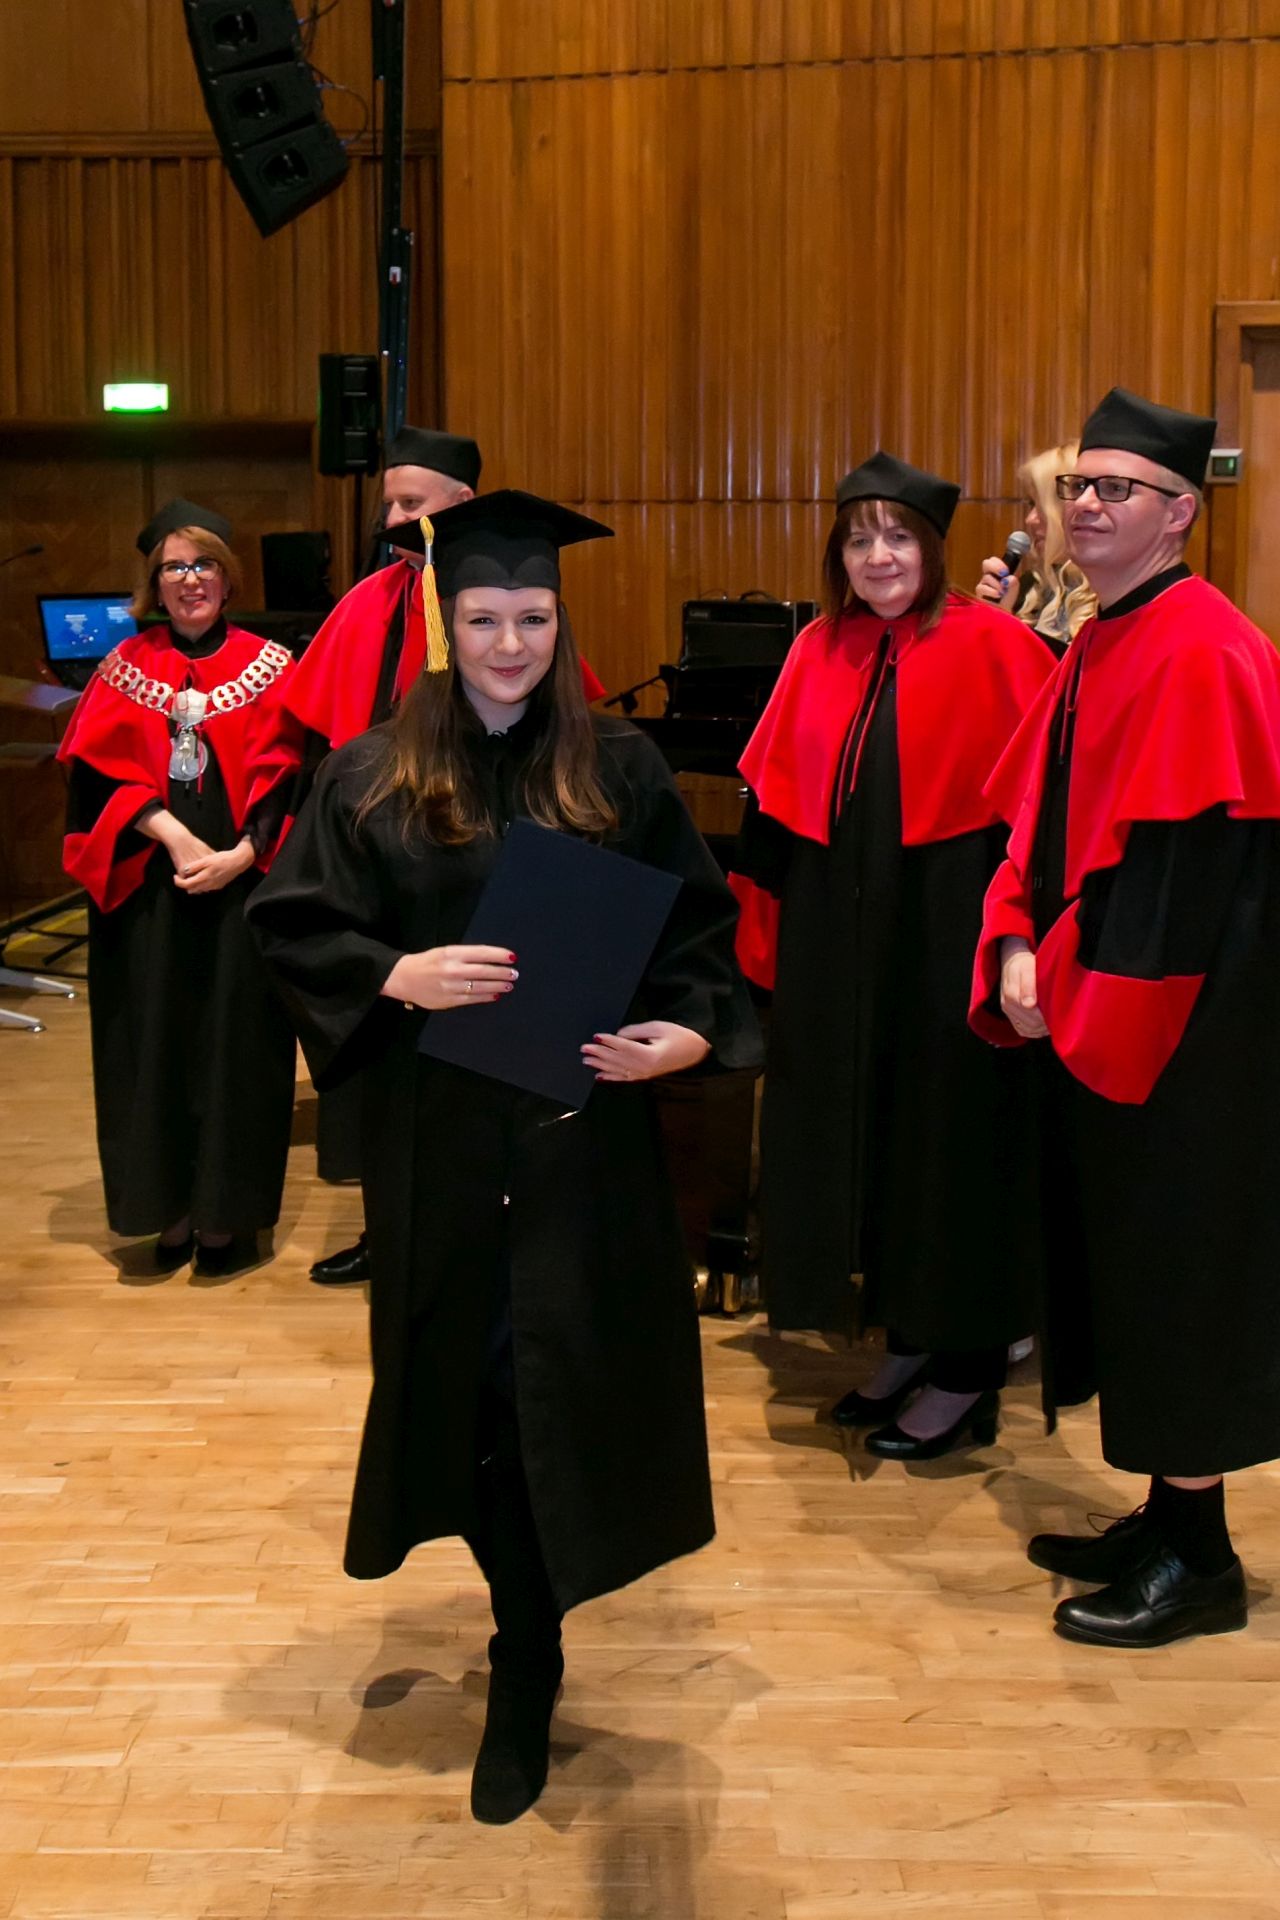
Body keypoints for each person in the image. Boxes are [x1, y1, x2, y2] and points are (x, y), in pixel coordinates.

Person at [247, 490, 761, 1823]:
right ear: (445, 622)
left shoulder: (619, 770)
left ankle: (527, 1659)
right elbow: (294, 926)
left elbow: (698, 939)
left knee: (559, 1401)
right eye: (484, 619)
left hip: (584, 1149)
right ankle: (511, 1614)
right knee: (471, 1404)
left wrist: (685, 1034)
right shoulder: (370, 773)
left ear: (558, 620)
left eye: (533, 618)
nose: (511, 644)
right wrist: (397, 972)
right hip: (440, 1147)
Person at [971, 386, 1280, 1648]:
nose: (1086, 505)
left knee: (1177, 1277)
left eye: (1117, 489)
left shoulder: (1203, 648)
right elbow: (1038, 824)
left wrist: (1070, 994)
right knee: (1129, 1271)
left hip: (1184, 1039)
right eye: (1077, 486)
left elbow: (1177, 886)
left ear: (1179, 514)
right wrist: (1011, 940)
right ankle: (1162, 1515)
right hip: (1097, 1008)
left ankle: (1198, 1562)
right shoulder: (1105, 635)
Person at [730, 453, 1055, 1456]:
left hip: (947, 935)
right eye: (859, 538)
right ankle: (907, 1339)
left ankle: (967, 1366)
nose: (877, 556)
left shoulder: (997, 647)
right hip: (841, 940)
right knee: (864, 1140)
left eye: (898, 536)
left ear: (932, 547)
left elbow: (1040, 816)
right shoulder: (816, 648)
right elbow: (776, 806)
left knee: (947, 1141)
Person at [290, 427, 607, 1280]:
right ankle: (386, 1229)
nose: (507, 645)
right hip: (398, 870)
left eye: (411, 502)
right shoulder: (367, 614)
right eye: (389, 502)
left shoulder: (604, 754)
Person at [59, 499, 299, 1276]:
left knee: (238, 1046)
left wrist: (242, 854)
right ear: (154, 584)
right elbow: (94, 780)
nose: (189, 580)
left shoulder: (272, 665)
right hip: (148, 896)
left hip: (243, 890)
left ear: (227, 577)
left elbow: (295, 781)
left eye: (203, 565)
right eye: (173, 568)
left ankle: (227, 1218)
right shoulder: (123, 669)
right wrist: (173, 834)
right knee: (152, 1042)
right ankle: (168, 1209)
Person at [975, 443, 1097, 654]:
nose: (1030, 519)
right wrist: (997, 617)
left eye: (1041, 505)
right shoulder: (1028, 589)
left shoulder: (1109, 599)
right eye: (1031, 504)